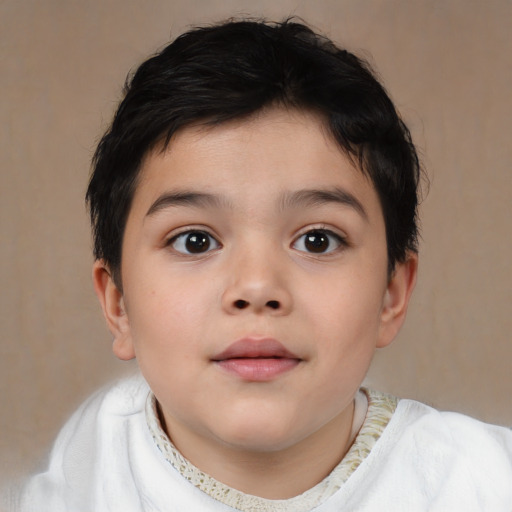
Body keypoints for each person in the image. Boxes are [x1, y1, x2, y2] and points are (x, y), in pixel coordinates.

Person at [16, 18, 512, 511]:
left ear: (391, 294)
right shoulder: (88, 471)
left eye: (317, 241)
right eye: (194, 241)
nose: (256, 287)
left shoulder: (479, 482)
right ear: (118, 302)